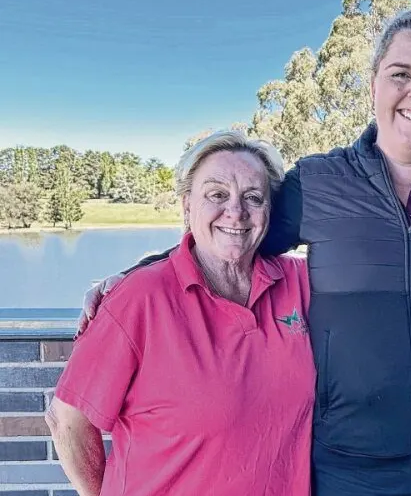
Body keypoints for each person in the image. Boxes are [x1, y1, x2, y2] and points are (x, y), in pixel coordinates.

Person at [77, 7, 411, 496]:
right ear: (374, 82)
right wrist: (138, 275)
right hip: (347, 474)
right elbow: (232, 233)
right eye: (401, 74)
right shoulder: (318, 182)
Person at [47, 132, 315, 496]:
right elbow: (67, 421)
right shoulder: (138, 298)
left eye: (253, 197)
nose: (235, 211)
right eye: (216, 194)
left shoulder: (301, 283)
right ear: (187, 205)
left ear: (270, 210)